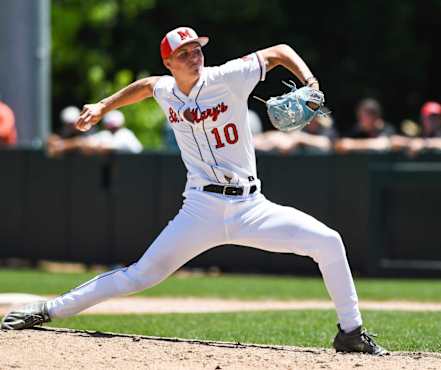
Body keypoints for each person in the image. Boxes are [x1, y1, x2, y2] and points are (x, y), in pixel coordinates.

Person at [1, 26, 386, 355]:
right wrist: (103, 105)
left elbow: (280, 52)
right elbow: (148, 86)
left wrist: (311, 84)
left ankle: (350, 333)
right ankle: (48, 309)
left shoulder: (228, 76)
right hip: (200, 208)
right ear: (169, 62)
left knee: (329, 242)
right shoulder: (167, 88)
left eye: (197, 49)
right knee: (140, 275)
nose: (194, 56)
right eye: (184, 53)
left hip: (252, 207)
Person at [47, 109, 142, 157]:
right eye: (110, 127)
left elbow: (104, 148)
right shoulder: (106, 134)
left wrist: (63, 146)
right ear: (106, 126)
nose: (113, 129)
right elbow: (84, 142)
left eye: (115, 127)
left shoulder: (126, 135)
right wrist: (61, 145)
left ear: (122, 125)